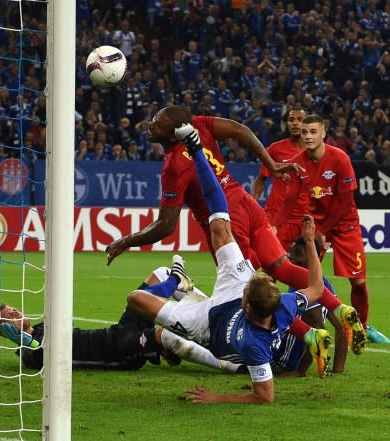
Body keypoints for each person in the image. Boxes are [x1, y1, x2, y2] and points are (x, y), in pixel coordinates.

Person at [104, 105, 366, 357]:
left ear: (174, 131)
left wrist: (125, 241)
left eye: (159, 122)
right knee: (282, 268)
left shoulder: (174, 166)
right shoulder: (200, 125)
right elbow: (241, 130)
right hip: (244, 200)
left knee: (248, 289)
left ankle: (309, 335)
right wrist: (271, 164)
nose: (151, 125)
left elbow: (166, 225)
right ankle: (339, 308)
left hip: (225, 223)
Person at [127, 123, 329, 403]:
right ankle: (197, 151)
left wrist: (216, 397)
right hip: (232, 290)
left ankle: (176, 281)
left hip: (205, 328)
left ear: (247, 303)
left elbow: (265, 397)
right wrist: (308, 242)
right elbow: (316, 288)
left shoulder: (253, 345)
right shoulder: (283, 305)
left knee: (136, 298)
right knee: (221, 227)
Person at [0, 265, 245, 375]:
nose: (14, 312)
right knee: (160, 335)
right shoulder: (30, 351)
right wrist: (22, 339)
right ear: (4, 331)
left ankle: (214, 316)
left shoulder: (41, 327)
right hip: (116, 351)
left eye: (12, 309)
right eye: (8, 316)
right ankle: (232, 365)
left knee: (160, 275)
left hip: (117, 333)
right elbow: (38, 356)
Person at [274, 114, 390, 345]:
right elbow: (290, 201)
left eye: (313, 132)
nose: (308, 136)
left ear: (324, 133)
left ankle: (362, 328)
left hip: (345, 225)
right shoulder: (298, 162)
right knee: (301, 276)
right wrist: (274, 227)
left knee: (358, 282)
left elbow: (346, 202)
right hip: (316, 224)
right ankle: (297, 325)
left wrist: (324, 230)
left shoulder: (340, 159)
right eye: (305, 132)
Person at [278, 236, 348, 376]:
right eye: (290, 252)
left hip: (282, 361)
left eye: (297, 254)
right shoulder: (323, 282)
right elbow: (342, 325)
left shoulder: (303, 285)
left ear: (312, 258)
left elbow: (318, 326)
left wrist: (300, 370)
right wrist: (337, 370)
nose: (290, 257)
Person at [251, 107, 307, 250]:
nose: (295, 123)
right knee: (272, 259)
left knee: (303, 262)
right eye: (291, 120)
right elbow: (261, 178)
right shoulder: (275, 149)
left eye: (299, 120)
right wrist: (253, 204)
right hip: (276, 214)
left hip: (303, 216)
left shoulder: (314, 151)